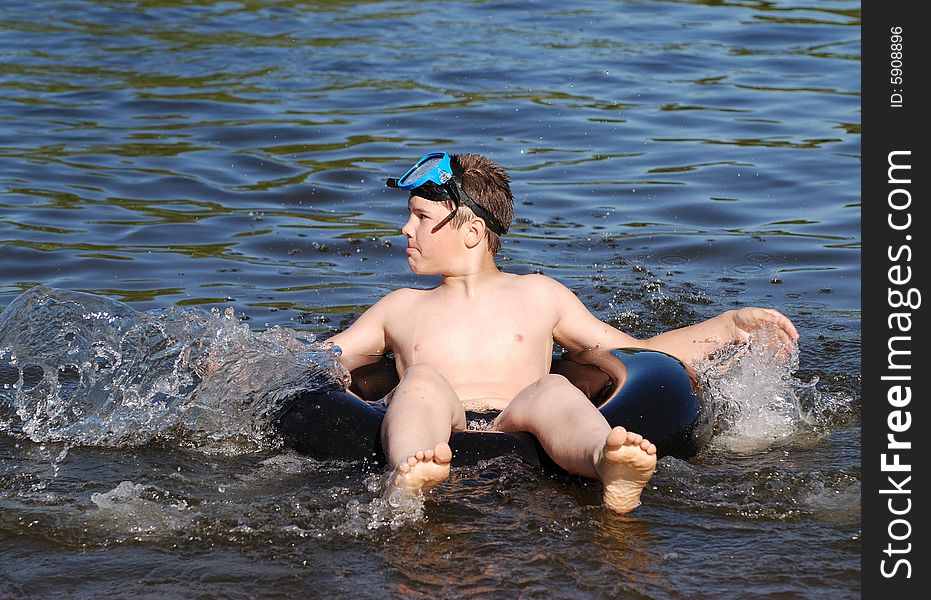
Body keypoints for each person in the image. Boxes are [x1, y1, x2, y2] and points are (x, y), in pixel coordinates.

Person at [326, 152, 798, 514]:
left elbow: (633, 355)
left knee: (553, 388)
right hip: (443, 425)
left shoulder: (540, 295)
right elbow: (323, 359)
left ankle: (607, 462)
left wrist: (728, 326)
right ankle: (409, 475)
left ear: (471, 231)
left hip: (518, 418)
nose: (406, 229)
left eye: (421, 217)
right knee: (421, 381)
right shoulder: (400, 307)